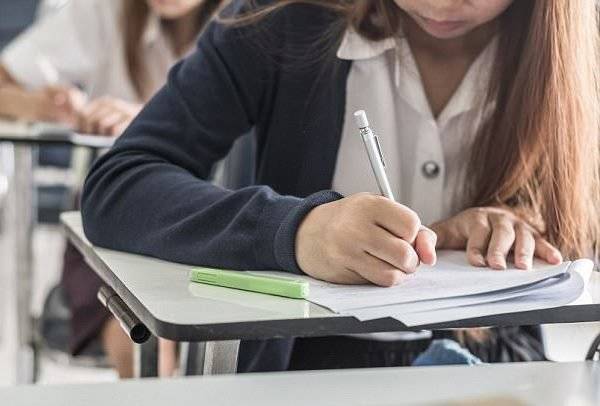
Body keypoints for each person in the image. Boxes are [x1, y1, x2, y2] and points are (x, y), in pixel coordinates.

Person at [80, 0, 600, 371]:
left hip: (498, 369)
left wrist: (522, 219)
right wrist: (298, 231)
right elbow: (120, 184)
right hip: (296, 371)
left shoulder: (578, 50)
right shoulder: (280, 18)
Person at [0, 0, 225, 377]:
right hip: (113, 220)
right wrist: (43, 106)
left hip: (214, 217)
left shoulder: (251, 22)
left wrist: (152, 120)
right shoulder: (105, 11)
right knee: (142, 334)